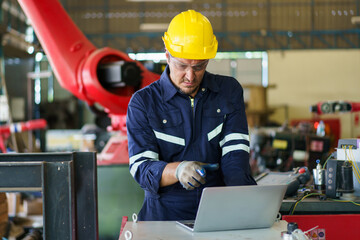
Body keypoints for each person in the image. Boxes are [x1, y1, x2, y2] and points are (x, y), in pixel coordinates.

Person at [126, 9, 256, 221]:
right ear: (167, 56)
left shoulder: (228, 92)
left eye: (199, 66)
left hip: (216, 211)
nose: (190, 76)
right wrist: (177, 171)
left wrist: (246, 205)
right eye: (182, 65)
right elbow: (142, 168)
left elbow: (235, 157)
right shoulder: (143, 103)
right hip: (163, 216)